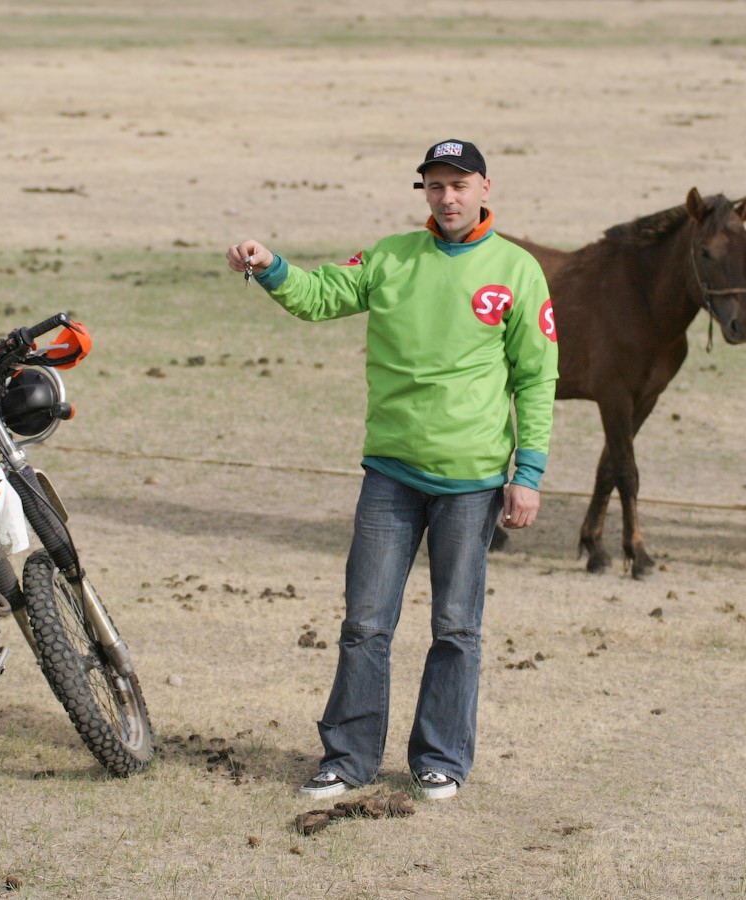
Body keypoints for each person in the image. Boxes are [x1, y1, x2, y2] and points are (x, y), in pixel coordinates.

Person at [226, 139, 558, 801]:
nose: (448, 197)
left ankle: (441, 759)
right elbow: (319, 297)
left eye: (459, 185)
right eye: (435, 185)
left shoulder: (518, 270)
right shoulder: (390, 257)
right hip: (391, 474)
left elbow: (537, 377)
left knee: (456, 628)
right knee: (365, 624)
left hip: (472, 481)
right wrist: (269, 266)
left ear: (485, 188)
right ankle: (348, 759)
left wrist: (528, 474)